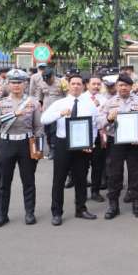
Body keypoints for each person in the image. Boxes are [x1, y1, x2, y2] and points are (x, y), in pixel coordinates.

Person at [0, 69, 44, 228]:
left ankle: (30, 213)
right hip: (6, 144)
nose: (16, 85)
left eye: (19, 82)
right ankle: (2, 215)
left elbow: (38, 127)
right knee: (4, 182)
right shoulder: (1, 102)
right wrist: (14, 114)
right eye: (13, 82)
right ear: (8, 84)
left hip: (26, 144)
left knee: (28, 180)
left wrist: (38, 150)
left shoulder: (32, 102)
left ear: (25, 84)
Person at [41, 73, 98, 226]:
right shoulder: (60, 103)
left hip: (82, 144)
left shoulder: (90, 104)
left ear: (83, 86)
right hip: (63, 143)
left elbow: (94, 126)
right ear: (68, 85)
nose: (76, 86)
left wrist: (90, 143)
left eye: (79, 84)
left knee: (81, 178)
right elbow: (43, 119)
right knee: (59, 179)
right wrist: (60, 113)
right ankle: (57, 212)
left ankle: (81, 209)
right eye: (73, 83)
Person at [98, 73, 138, 219]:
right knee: (114, 174)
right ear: (116, 86)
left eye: (126, 85)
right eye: (120, 85)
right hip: (116, 142)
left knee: (136, 174)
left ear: (131, 86)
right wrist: (109, 118)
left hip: (135, 143)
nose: (123, 88)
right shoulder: (110, 102)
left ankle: (137, 204)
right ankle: (113, 205)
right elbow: (100, 122)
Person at [81, 74, 108, 202]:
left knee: (98, 165)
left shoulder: (104, 99)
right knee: (82, 166)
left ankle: (95, 191)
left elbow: (106, 117)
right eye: (94, 84)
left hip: (99, 135)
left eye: (98, 84)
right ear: (87, 85)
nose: (96, 86)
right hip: (84, 135)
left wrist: (98, 107)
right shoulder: (80, 98)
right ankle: (81, 192)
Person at [35, 68, 65, 159]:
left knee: (54, 130)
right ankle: (50, 147)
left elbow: (67, 95)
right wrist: (39, 106)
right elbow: (39, 97)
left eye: (48, 79)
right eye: (45, 80)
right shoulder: (42, 83)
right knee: (47, 131)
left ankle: (54, 150)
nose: (47, 81)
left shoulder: (61, 82)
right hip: (46, 111)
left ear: (53, 76)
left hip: (59, 111)